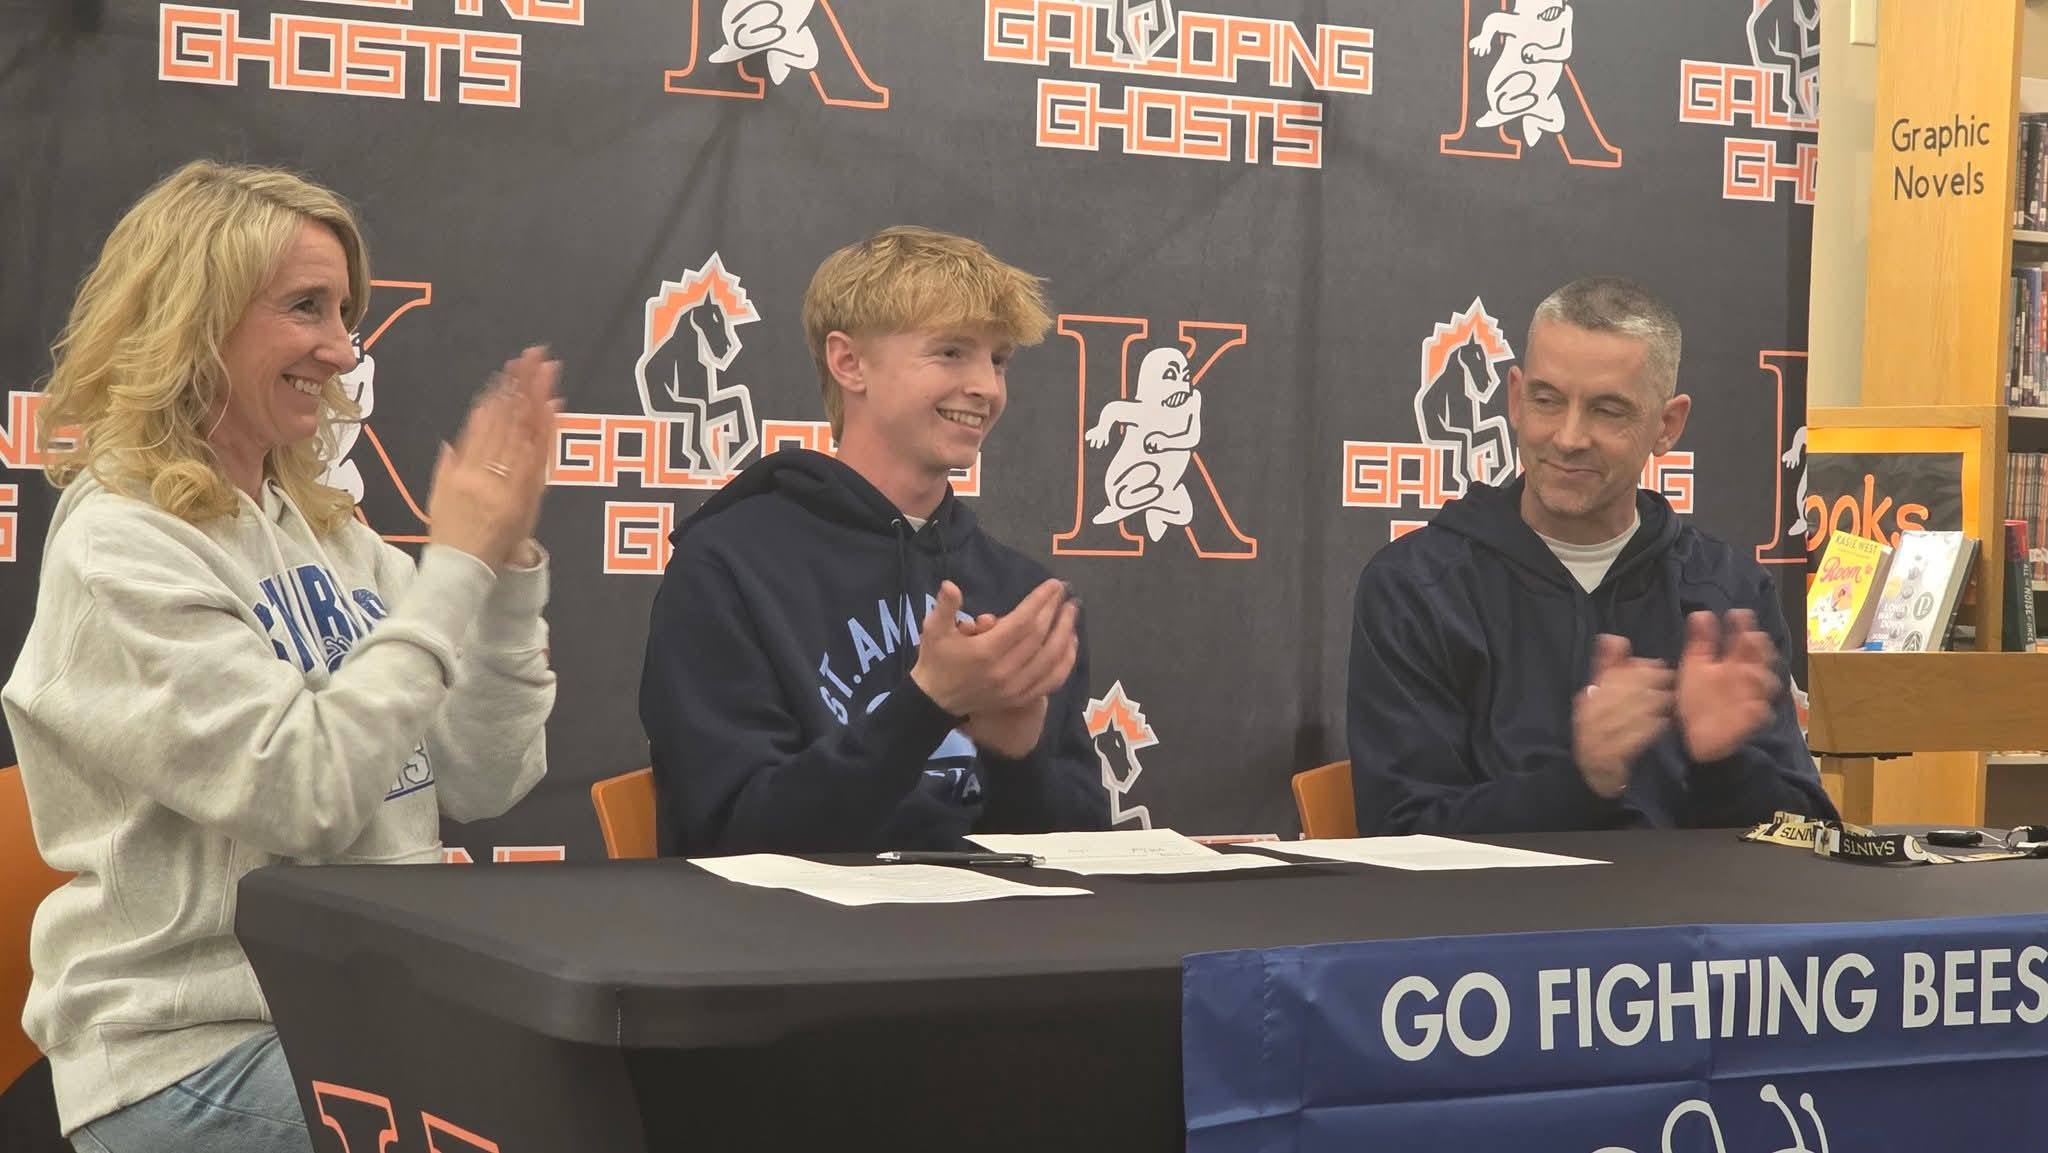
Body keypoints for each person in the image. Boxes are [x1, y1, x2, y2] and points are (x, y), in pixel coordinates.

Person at [2, 161, 558, 1151]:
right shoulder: (119, 543)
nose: (342, 349)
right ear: (194, 317)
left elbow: (486, 774)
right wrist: (455, 569)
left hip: (369, 1018)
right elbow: (301, 792)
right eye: (306, 307)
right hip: (191, 1054)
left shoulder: (330, 531)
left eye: (345, 313)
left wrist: (504, 567)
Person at [641, 226, 1107, 856]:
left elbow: (1083, 862)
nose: (987, 387)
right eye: (951, 352)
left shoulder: (1023, 595)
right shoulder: (727, 568)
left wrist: (1016, 754)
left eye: (998, 360)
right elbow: (732, 837)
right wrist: (927, 704)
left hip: (993, 922)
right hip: (793, 921)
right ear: (849, 363)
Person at [1346, 276, 1835, 834]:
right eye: (1547, 400)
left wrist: (1725, 765)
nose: (1569, 437)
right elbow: (1399, 834)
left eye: (1608, 411)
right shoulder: (1415, 588)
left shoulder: (1728, 595)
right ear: (1515, 399)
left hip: (1682, 895)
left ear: (1667, 426)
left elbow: (1809, 837)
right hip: (1501, 896)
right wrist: (1581, 782)